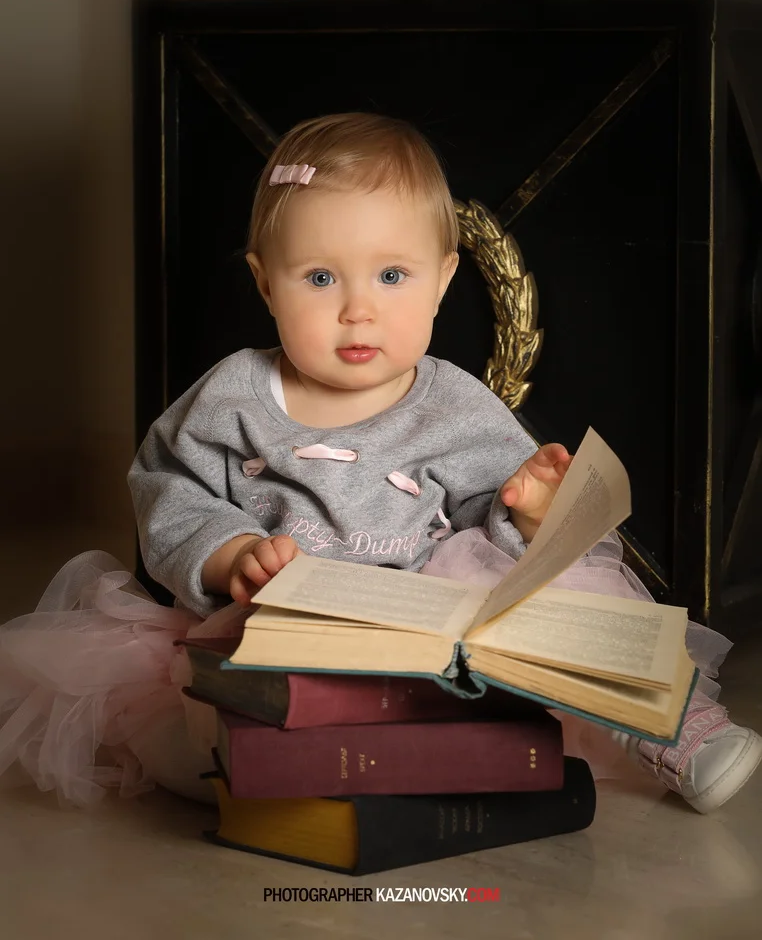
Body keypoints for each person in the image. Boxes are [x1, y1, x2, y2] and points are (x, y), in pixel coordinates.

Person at [1, 113, 759, 812]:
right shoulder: (232, 396)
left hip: (433, 632)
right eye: (320, 278)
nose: (357, 309)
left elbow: (499, 522)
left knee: (565, 609)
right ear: (266, 283)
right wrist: (230, 555)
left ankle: (674, 727)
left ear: (444, 279)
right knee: (185, 725)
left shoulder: (454, 406)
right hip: (285, 627)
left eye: (392, 276)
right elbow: (168, 486)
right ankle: (271, 759)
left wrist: (529, 510)